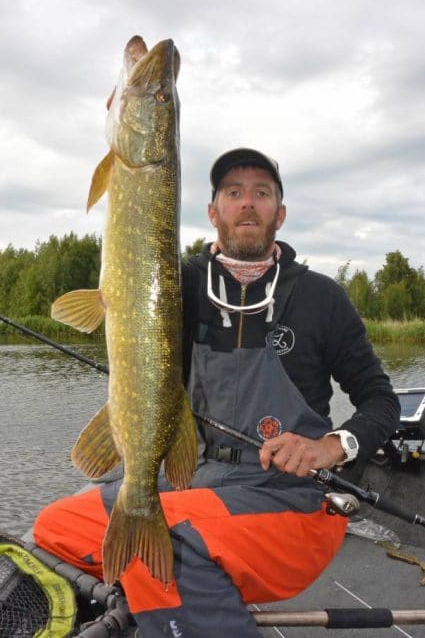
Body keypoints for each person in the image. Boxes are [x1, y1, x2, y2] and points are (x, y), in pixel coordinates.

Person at [34, 148, 400, 638]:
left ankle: (178, 589)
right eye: (233, 193)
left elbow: (381, 400)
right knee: (53, 526)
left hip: (288, 501)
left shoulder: (321, 297)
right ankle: (189, 589)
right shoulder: (175, 284)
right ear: (213, 212)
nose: (247, 203)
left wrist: (330, 447)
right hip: (195, 482)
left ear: (279, 213)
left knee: (158, 539)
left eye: (261, 193)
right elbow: (135, 251)